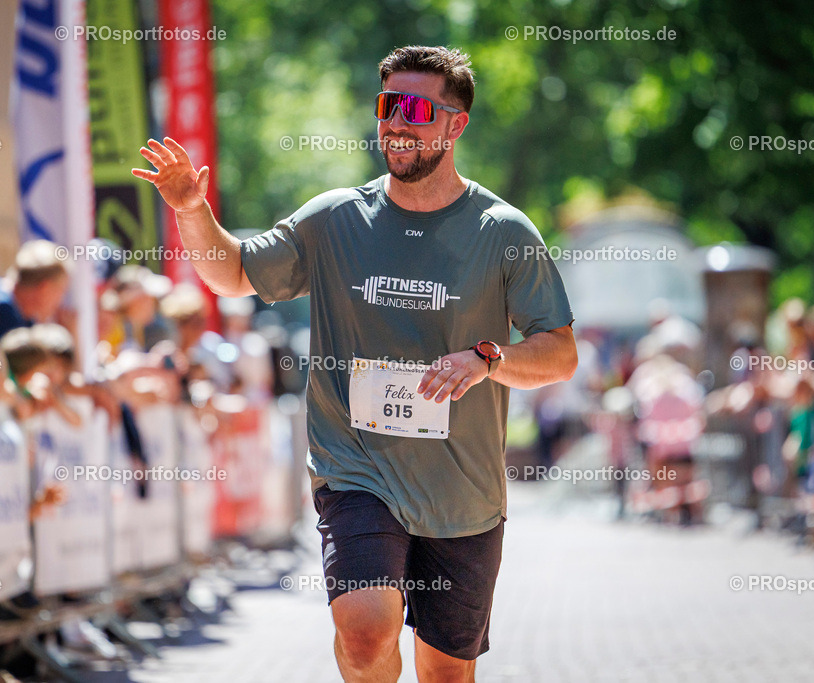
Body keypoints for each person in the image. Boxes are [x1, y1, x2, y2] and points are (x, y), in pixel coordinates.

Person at [135, 45, 577, 682]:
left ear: (456, 125)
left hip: (463, 493)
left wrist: (490, 359)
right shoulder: (336, 218)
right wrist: (190, 210)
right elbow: (231, 274)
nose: (396, 122)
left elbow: (559, 352)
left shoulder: (503, 232)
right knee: (366, 631)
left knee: (446, 674)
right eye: (387, 106)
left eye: (415, 109)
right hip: (357, 471)